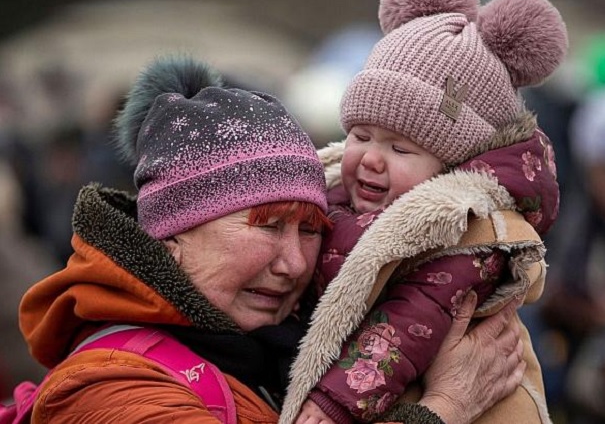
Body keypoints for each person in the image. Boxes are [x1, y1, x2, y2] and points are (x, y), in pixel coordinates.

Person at [17, 55, 524, 423]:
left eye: (310, 231)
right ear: (172, 235)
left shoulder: (276, 349)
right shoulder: (108, 385)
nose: (294, 264)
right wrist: (444, 408)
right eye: (267, 225)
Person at [280, 0, 568, 424]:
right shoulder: (336, 195)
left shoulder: (470, 230)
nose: (372, 158)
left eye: (401, 148)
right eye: (361, 135)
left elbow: (411, 321)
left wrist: (333, 404)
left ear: (452, 166)